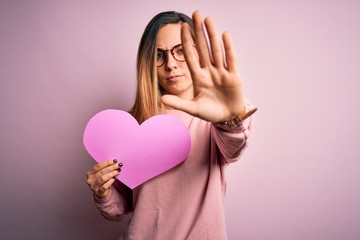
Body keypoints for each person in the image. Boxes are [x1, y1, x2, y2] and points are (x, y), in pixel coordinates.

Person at [86, 10, 257, 240]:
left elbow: (233, 146)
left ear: (198, 54)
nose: (170, 64)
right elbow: (119, 209)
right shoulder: (130, 125)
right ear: (147, 62)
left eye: (181, 51)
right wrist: (102, 192)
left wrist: (228, 119)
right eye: (159, 55)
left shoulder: (220, 119)